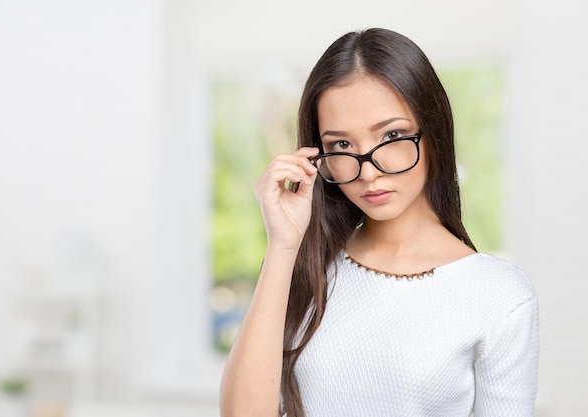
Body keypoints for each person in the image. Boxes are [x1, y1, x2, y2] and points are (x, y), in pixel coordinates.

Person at [219, 28, 539, 417]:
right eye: (341, 145)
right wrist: (282, 245)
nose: (369, 172)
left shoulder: (498, 295)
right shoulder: (309, 268)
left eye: (391, 134)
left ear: (433, 132)